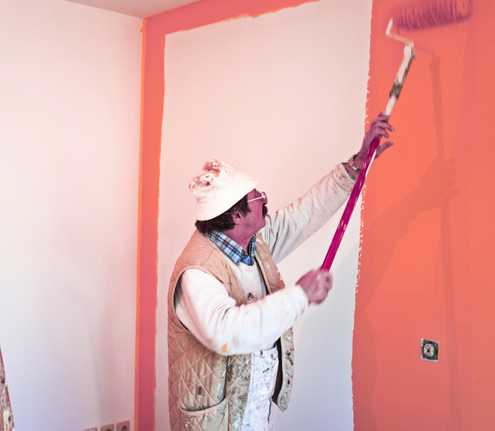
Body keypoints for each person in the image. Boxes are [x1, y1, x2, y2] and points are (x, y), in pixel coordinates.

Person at [166, 113, 394, 431]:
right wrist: (299, 295)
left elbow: (304, 214)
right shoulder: (197, 273)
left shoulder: (254, 243)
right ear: (234, 215)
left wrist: (356, 165)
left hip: (254, 415)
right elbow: (227, 332)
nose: (265, 199)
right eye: (257, 197)